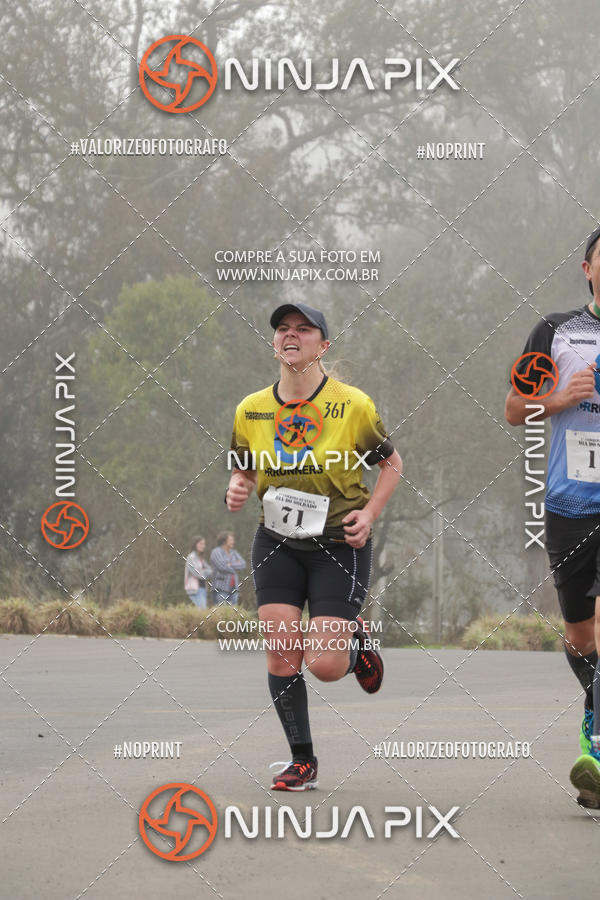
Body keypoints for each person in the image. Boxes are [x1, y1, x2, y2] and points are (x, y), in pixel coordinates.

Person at [226, 301, 402, 790]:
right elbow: (243, 469)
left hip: (338, 544)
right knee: (282, 652)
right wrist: (237, 488)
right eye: (283, 328)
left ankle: (352, 639)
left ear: (323, 345)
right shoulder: (251, 409)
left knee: (324, 666)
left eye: (304, 329)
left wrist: (369, 514)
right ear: (274, 342)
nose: (291, 334)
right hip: (277, 540)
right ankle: (302, 760)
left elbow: (391, 464)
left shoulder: (352, 405)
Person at [505, 226, 600, 808]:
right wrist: (560, 399)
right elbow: (514, 409)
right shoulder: (555, 331)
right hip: (568, 505)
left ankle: (596, 742)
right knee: (581, 636)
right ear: (587, 269)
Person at [209, 532, 246, 606]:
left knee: (233, 613)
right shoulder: (216, 552)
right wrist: (235, 567)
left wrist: (230, 564)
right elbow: (222, 567)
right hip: (221, 587)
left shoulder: (234, 552)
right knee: (221, 613)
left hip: (234, 587)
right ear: (224, 541)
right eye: (231, 540)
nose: (233, 542)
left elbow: (243, 564)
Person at [184, 536, 212, 608]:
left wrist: (203, 571)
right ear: (195, 544)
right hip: (194, 590)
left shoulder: (201, 559)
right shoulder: (191, 557)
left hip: (203, 588)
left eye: (204, 544)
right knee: (202, 613)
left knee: (203, 612)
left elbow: (211, 571)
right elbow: (197, 573)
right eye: (200, 544)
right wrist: (205, 571)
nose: (203, 546)